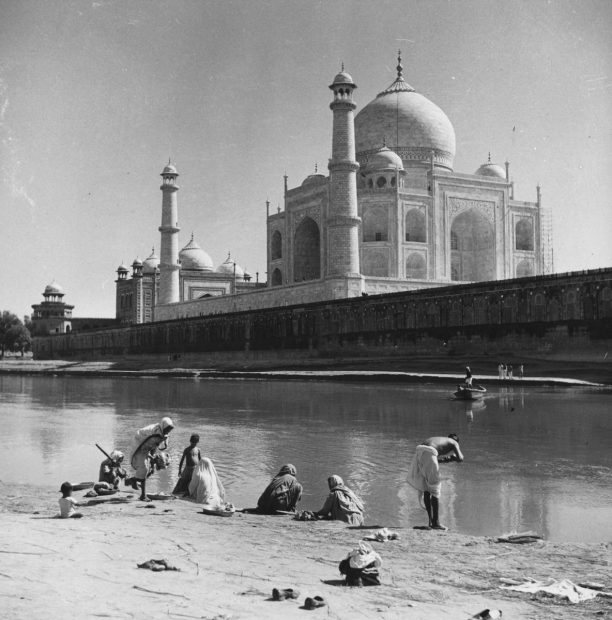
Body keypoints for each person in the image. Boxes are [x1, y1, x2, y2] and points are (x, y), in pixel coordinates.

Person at [407, 434, 464, 530]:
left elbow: (433, 459)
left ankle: (431, 522)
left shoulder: (439, 440)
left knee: (426, 488)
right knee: (435, 489)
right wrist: (453, 457)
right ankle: (436, 523)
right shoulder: (454, 442)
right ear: (455, 440)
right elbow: (460, 458)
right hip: (429, 453)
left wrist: (446, 459)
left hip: (419, 452)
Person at [128, 417, 174, 501]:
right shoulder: (155, 433)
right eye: (167, 429)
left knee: (149, 470)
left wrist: (152, 463)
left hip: (146, 447)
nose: (168, 431)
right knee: (144, 469)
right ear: (164, 426)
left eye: (169, 430)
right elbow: (145, 447)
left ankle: (133, 480)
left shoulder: (162, 433)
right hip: (139, 444)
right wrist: (151, 457)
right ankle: (143, 495)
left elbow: (154, 447)